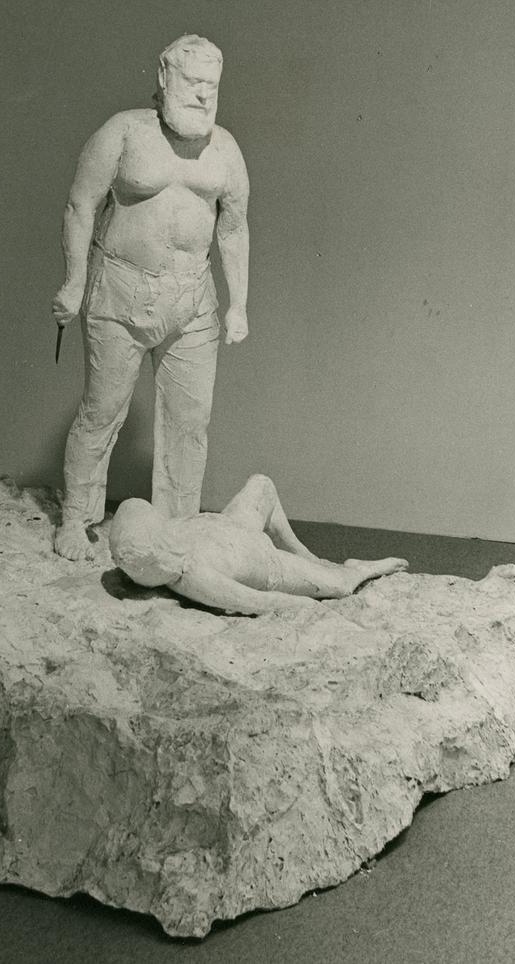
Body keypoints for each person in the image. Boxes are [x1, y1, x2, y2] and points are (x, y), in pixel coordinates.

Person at [53, 34, 250, 561]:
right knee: (103, 411)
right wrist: (73, 281)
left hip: (194, 300)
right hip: (121, 293)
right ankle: (76, 517)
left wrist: (239, 303)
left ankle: (176, 527)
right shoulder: (124, 132)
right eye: (194, 83)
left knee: (190, 420)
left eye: (212, 86)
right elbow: (80, 205)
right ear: (164, 78)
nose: (204, 95)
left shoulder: (225, 149)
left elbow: (234, 227)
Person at [109, 474, 409, 616]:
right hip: (268, 564)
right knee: (340, 585)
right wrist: (315, 611)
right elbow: (257, 601)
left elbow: (136, 513)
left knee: (263, 485)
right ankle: (357, 569)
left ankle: (305, 554)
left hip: (234, 527)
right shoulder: (193, 575)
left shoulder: (171, 532)